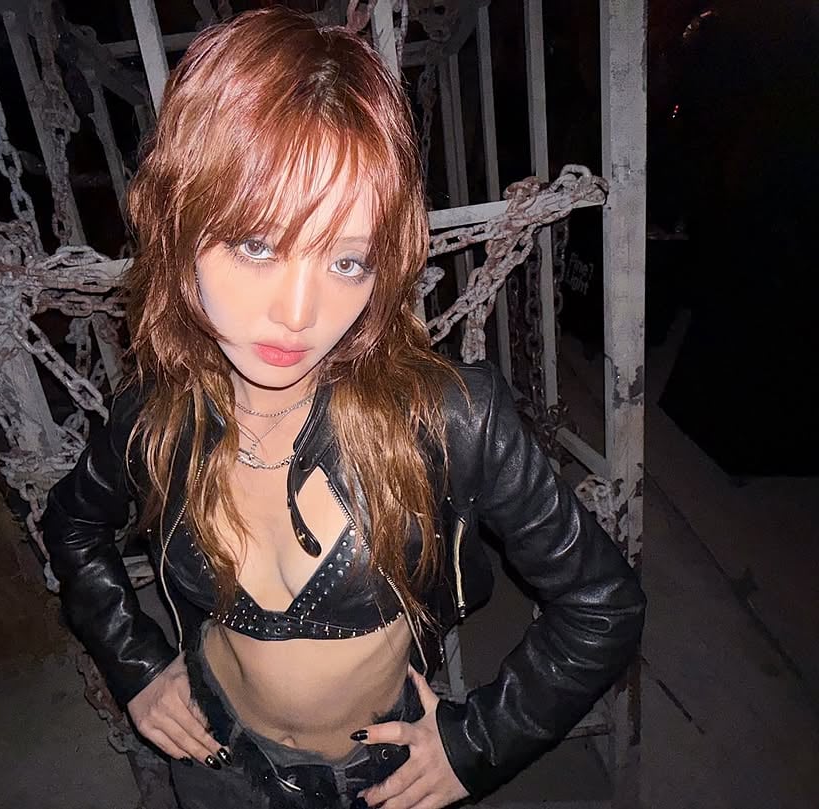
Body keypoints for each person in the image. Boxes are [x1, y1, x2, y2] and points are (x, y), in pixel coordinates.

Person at [42, 7, 645, 809]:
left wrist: (476, 744)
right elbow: (72, 525)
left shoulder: (449, 418)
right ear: (180, 231)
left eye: (347, 259)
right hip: (215, 763)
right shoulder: (158, 415)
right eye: (257, 244)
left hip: (380, 779)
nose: (299, 313)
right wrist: (139, 668)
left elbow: (603, 603)